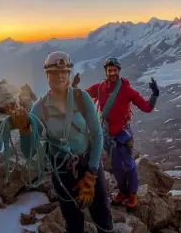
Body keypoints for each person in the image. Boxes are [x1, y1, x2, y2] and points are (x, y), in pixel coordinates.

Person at [10, 51, 114, 233]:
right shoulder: (40, 108)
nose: (60, 76)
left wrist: (92, 172)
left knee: (102, 215)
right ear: (47, 75)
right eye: (54, 73)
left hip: (89, 164)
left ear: (69, 74)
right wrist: (25, 131)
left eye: (64, 72)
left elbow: (97, 135)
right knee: (73, 220)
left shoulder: (82, 99)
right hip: (62, 171)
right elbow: (29, 152)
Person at [72, 56, 159, 211]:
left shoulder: (127, 90)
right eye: (109, 70)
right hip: (107, 134)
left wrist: (155, 94)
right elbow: (82, 97)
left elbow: (147, 107)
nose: (112, 73)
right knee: (116, 166)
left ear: (119, 71)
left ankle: (133, 194)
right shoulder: (99, 88)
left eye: (115, 70)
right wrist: (74, 86)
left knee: (129, 166)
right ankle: (123, 191)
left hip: (122, 134)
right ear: (106, 72)